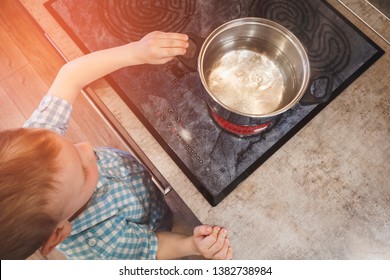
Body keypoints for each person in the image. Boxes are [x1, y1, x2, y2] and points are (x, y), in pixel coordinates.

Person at [0, 31, 233, 260]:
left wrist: (135, 52)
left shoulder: (35, 145)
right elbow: (151, 246)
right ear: (59, 233)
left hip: (134, 175)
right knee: (164, 223)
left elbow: (70, 75)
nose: (86, 147)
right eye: (82, 171)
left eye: (69, 144)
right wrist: (191, 245)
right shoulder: (99, 248)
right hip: (151, 215)